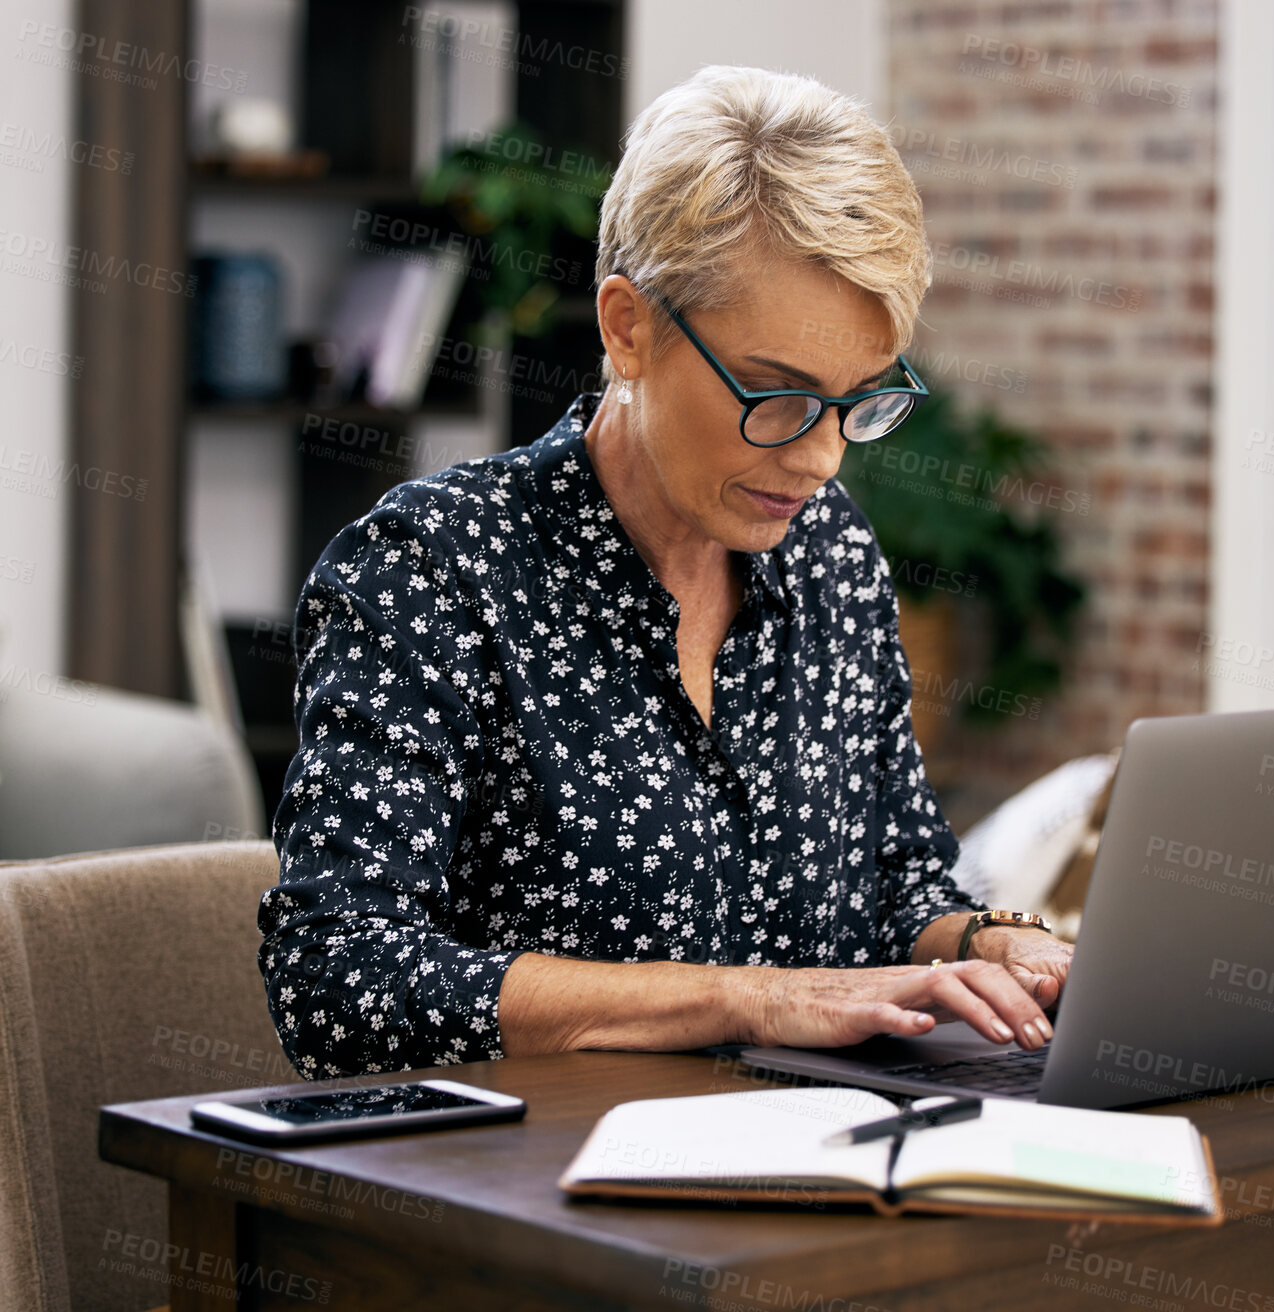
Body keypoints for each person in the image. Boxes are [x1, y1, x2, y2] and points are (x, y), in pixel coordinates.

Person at [257, 64, 1071, 1080]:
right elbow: (337, 979)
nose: (821, 458)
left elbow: (895, 888)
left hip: (799, 1171)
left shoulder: (830, 556)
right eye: (772, 395)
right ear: (626, 327)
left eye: (859, 400)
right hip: (509, 1194)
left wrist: (998, 945)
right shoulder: (431, 572)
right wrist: (749, 996)